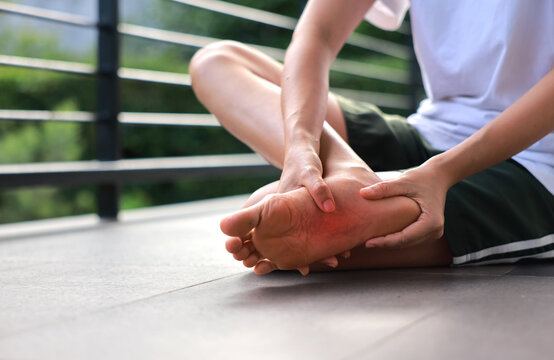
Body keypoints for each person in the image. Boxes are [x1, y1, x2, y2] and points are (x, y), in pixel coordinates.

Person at [190, 0, 554, 275]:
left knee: (287, 214)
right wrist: (302, 145)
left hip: (538, 162)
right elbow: (318, 34)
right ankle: (350, 175)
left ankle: (345, 214)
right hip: (431, 130)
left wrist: (440, 173)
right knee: (218, 62)